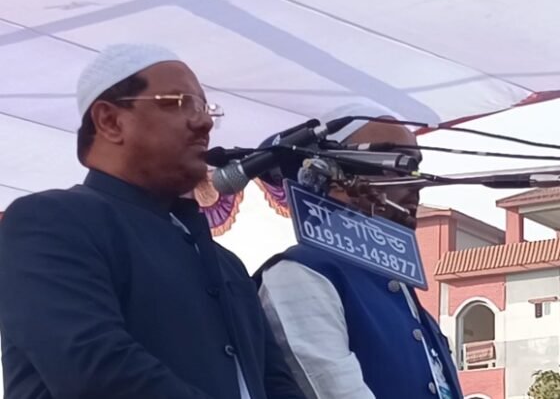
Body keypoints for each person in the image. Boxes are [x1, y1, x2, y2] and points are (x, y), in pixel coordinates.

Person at [0, 43, 305, 399]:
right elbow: (96, 369)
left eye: (205, 108)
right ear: (110, 121)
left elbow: (276, 384)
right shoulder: (49, 221)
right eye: (176, 102)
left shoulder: (227, 264)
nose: (204, 122)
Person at [254, 105, 463, 399]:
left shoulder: (397, 289)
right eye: (398, 164)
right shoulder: (299, 274)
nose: (417, 182)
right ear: (337, 177)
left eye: (415, 166)